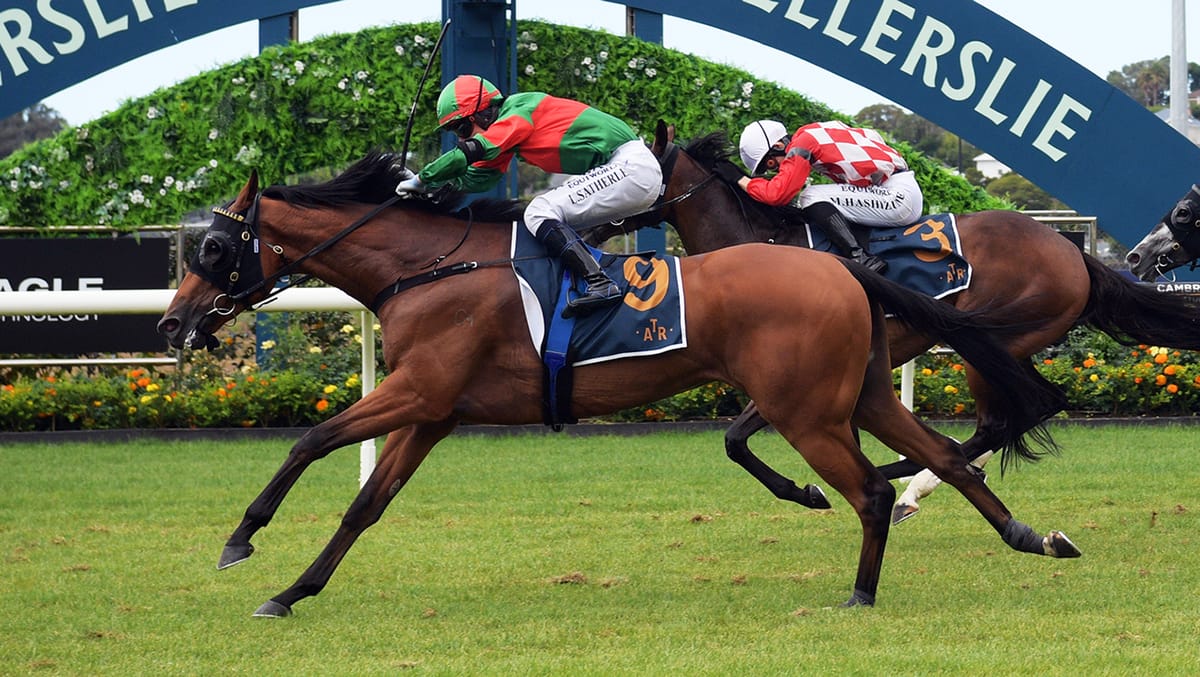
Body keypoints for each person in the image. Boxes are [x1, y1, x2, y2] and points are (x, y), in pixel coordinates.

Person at [396, 75, 663, 317]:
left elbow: (475, 149)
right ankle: (578, 286)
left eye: (462, 129)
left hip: (630, 166)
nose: (461, 138)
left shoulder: (519, 109)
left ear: (483, 114)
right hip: (623, 171)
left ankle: (601, 283)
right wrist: (430, 189)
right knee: (549, 225)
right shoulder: (506, 135)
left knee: (539, 211)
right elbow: (477, 179)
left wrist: (423, 178)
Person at [728, 119, 924, 274]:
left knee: (810, 195)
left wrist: (740, 179)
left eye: (771, 164)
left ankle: (861, 258)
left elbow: (778, 195)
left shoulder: (803, 142)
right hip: (896, 189)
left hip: (897, 196)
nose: (779, 168)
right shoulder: (818, 132)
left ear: (779, 145)